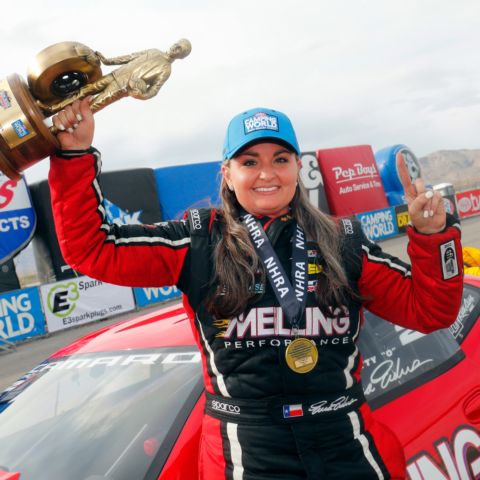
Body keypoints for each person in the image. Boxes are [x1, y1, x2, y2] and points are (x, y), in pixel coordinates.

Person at [48, 99, 463, 480]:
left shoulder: (344, 241)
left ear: (298, 168)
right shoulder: (198, 241)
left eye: (280, 159)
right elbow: (93, 250)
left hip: (344, 444)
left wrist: (435, 237)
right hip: (246, 453)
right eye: (250, 161)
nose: (267, 173)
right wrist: (73, 157)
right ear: (227, 173)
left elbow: (431, 311)